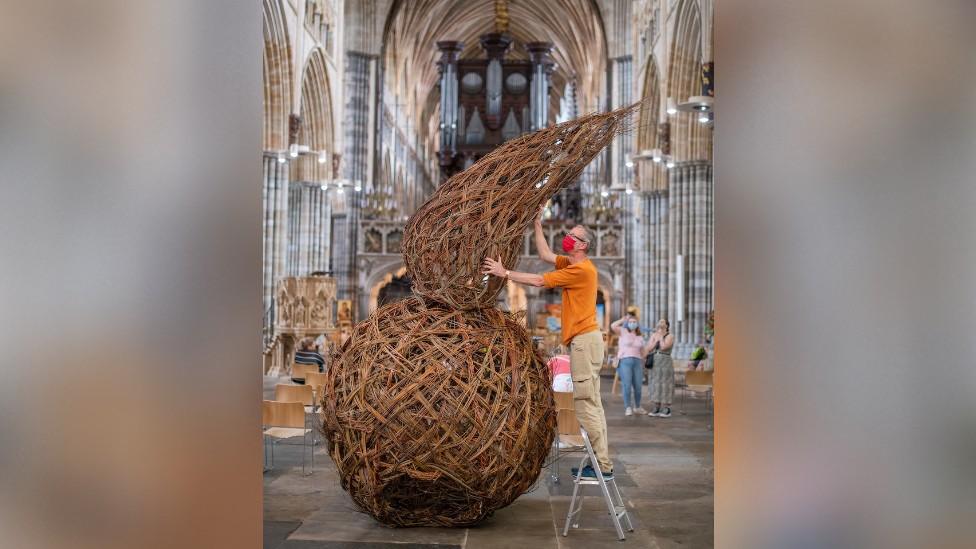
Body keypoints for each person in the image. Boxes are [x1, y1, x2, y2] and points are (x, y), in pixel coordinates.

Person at [482, 208, 613, 479]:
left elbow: (539, 280)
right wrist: (538, 224)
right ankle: (600, 462)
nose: (566, 238)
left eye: (572, 236)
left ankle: (602, 465)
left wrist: (503, 272)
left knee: (585, 403)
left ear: (583, 245)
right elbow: (544, 256)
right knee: (593, 404)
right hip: (587, 340)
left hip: (584, 341)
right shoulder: (572, 264)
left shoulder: (581, 271)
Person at [610, 314, 646, 416]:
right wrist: (622, 319)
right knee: (627, 385)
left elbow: (643, 351)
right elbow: (613, 326)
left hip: (637, 361)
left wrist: (645, 360)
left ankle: (637, 406)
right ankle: (628, 407)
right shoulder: (623, 331)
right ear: (627, 323)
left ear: (637, 324)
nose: (632, 323)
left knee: (638, 386)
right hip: (625, 361)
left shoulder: (639, 336)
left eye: (634, 322)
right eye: (630, 322)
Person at [643, 319, 675, 417]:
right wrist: (655, 339)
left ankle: (666, 408)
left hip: (665, 361)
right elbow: (648, 348)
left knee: (666, 383)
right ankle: (656, 406)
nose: (660, 323)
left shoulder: (670, 336)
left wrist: (661, 336)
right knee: (655, 383)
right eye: (659, 321)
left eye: (662, 322)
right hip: (655, 361)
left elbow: (664, 347)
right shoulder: (654, 335)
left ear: (667, 325)